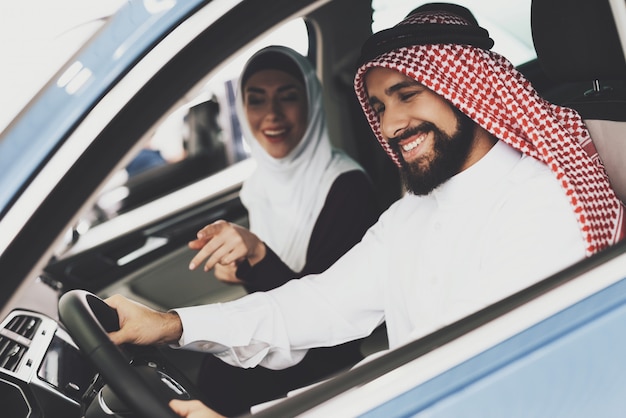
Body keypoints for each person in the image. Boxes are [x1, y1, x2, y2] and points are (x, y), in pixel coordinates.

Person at [106, 3, 626, 417]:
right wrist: (172, 325)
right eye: (379, 107)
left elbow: (469, 388)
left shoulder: (543, 207)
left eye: (408, 95)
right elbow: (321, 304)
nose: (393, 124)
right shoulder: (413, 213)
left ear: (465, 92)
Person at [183, 45, 382, 416]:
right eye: (256, 101)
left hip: (324, 362)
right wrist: (244, 267)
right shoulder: (260, 184)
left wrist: (257, 255)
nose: (271, 115)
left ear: (312, 103)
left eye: (288, 98)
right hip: (282, 342)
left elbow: (327, 324)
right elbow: (277, 282)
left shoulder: (347, 188)